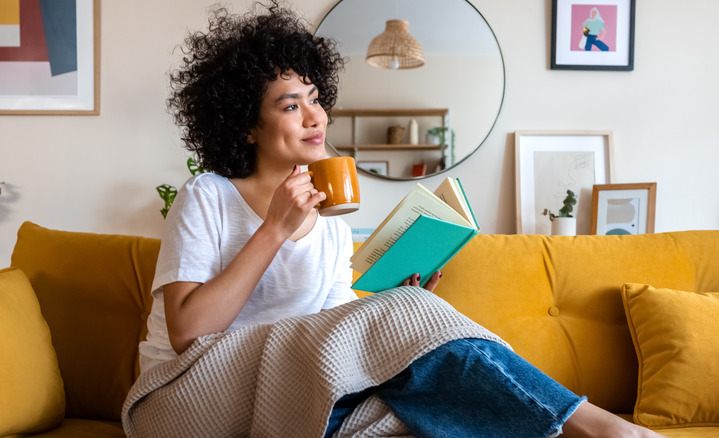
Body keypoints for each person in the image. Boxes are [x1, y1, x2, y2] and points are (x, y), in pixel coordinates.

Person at [128, 2, 663, 437]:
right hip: (184, 396)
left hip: (281, 394)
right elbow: (187, 332)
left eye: (315, 99)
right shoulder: (208, 195)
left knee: (413, 417)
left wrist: (401, 302)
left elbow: (334, 339)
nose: (316, 117)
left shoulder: (332, 223)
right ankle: (599, 426)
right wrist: (274, 229)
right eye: (291, 106)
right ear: (246, 124)